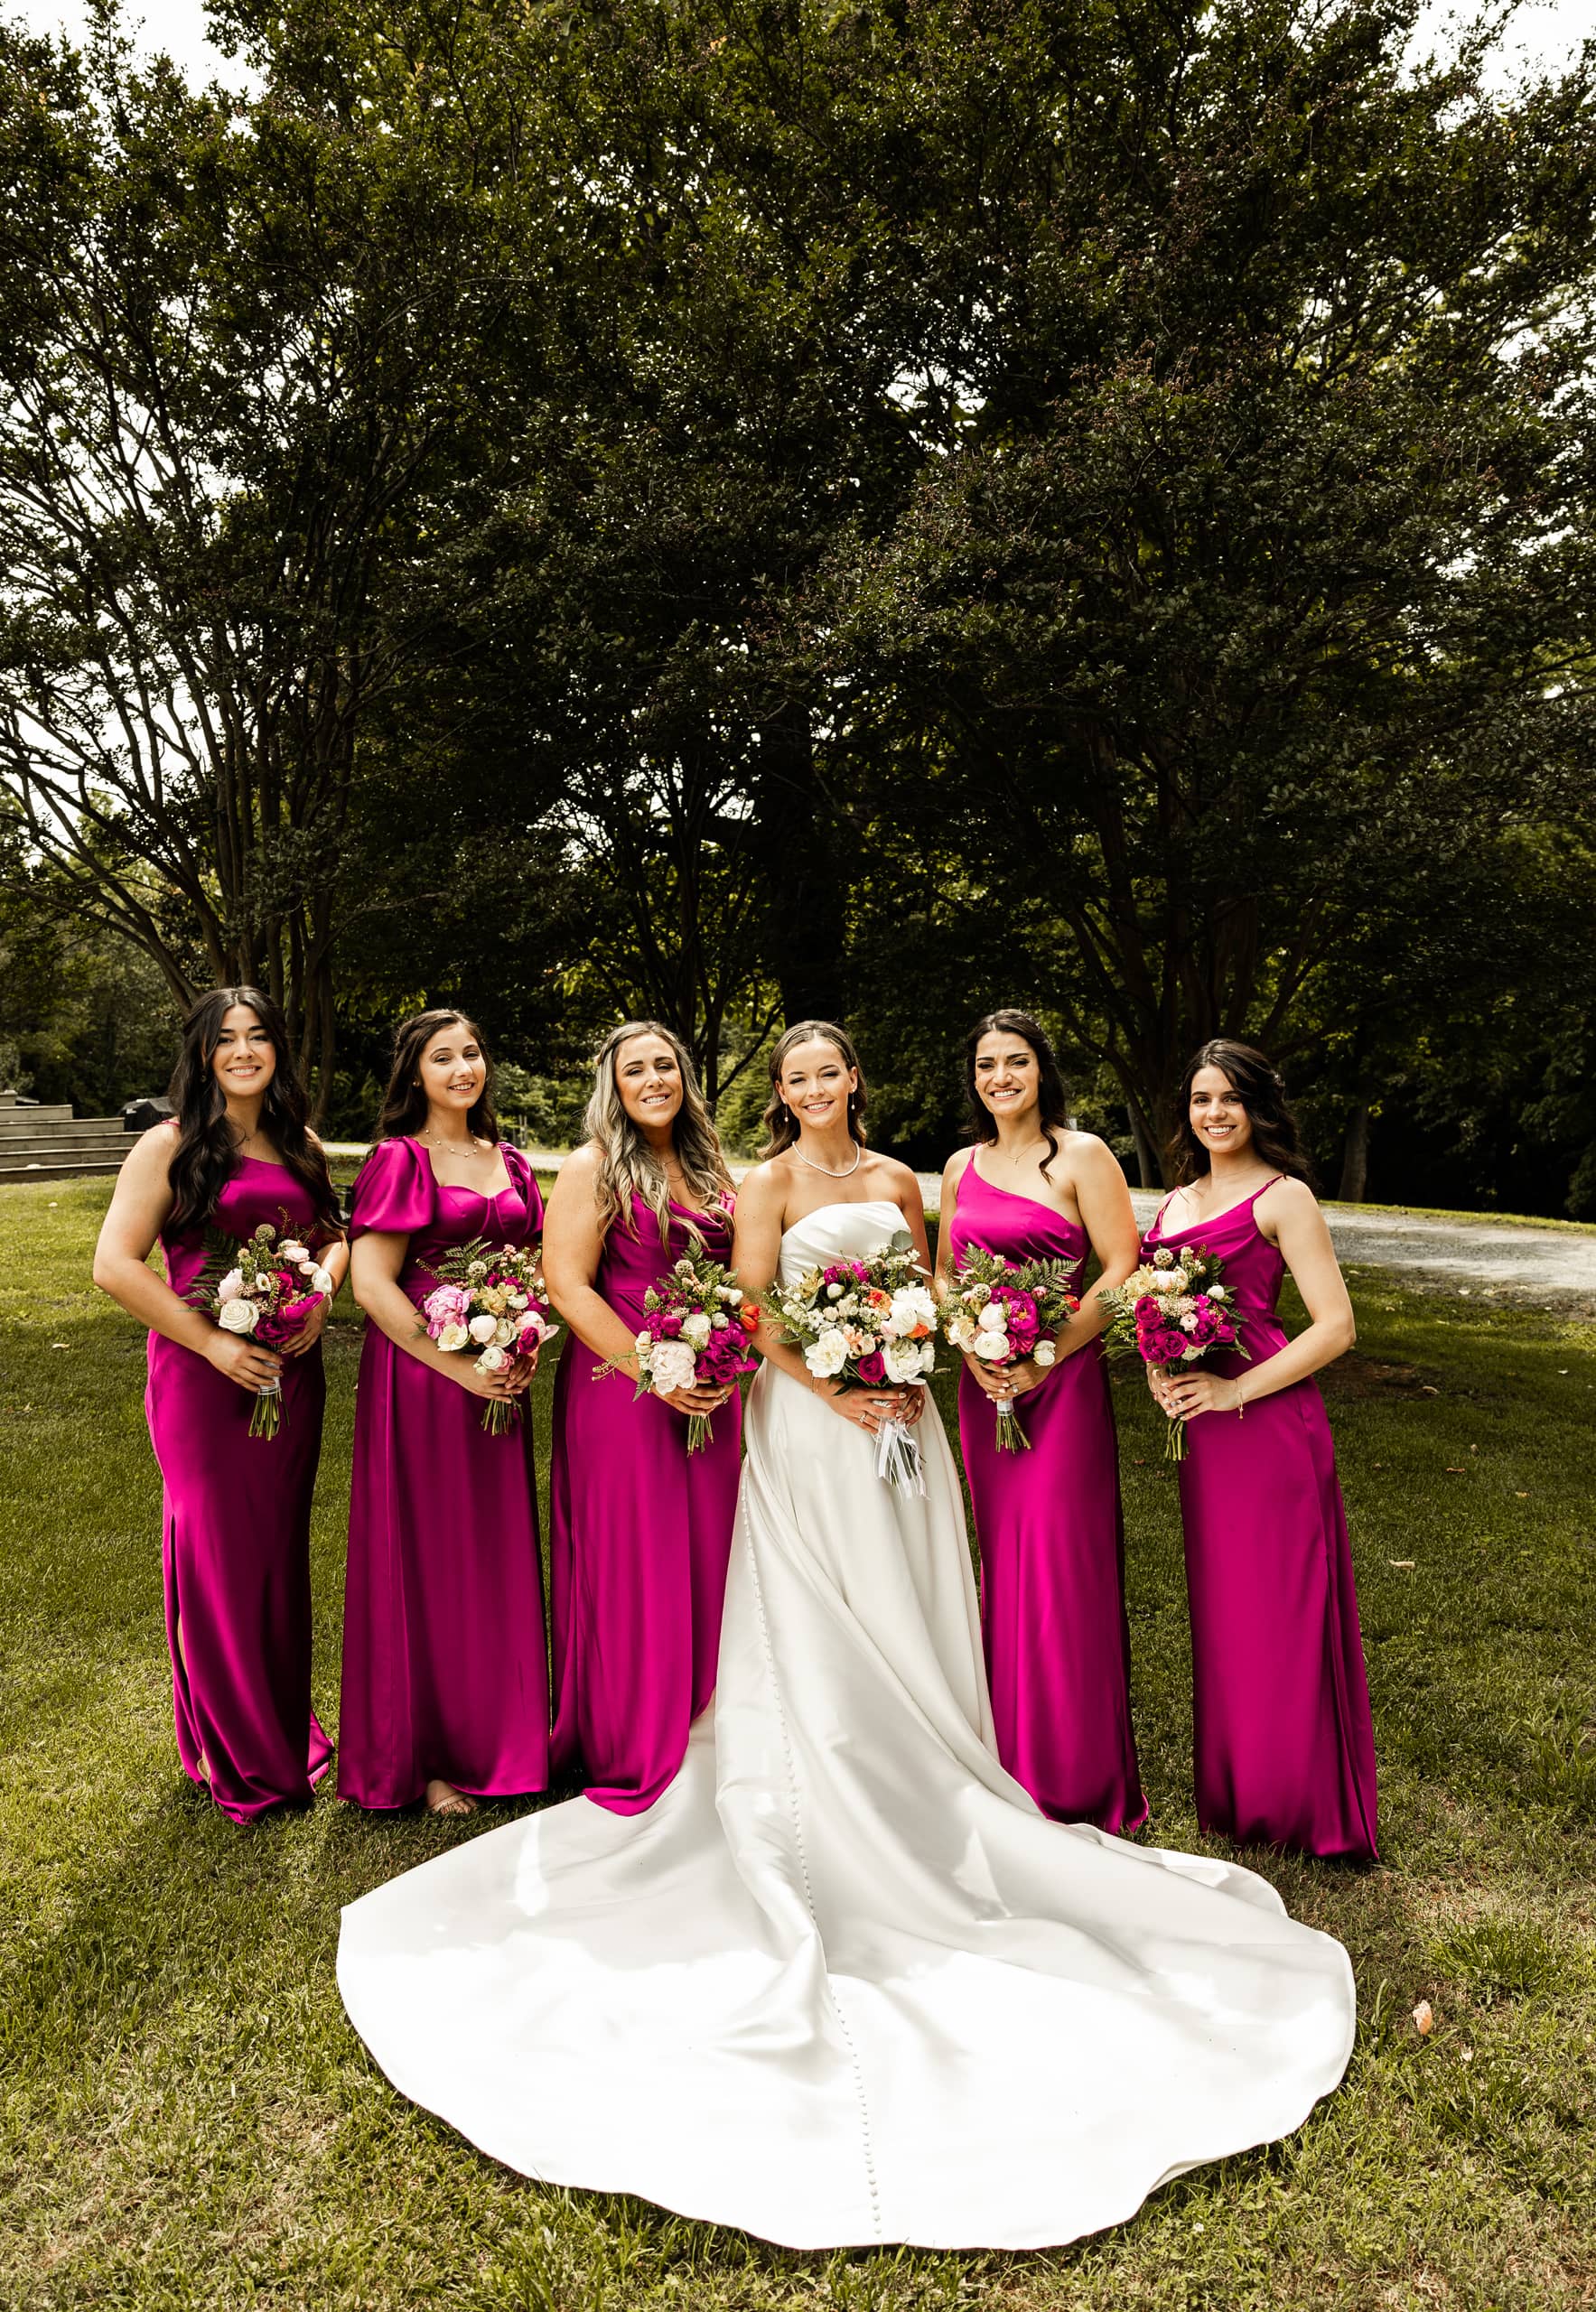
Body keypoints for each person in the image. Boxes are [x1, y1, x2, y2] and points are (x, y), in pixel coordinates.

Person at [338, 1021, 1356, 2252]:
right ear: (777, 1095)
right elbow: (761, 1303)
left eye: (830, 1073)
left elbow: (926, 1291)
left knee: (908, 1606)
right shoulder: (755, 1183)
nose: (815, 1090)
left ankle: (932, 1758)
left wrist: (915, 1363)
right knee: (800, 1612)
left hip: (906, 1424)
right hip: (808, 1422)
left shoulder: (897, 1181)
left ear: (855, 1083)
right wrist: (835, 1383)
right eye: (795, 1077)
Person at [92, 987, 344, 1823]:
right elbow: (116, 1265)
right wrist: (212, 1343)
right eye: (226, 1039)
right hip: (204, 1377)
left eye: (258, 1037)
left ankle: (277, 1729)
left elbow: (331, 1234)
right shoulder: (168, 1145)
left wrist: (321, 1297)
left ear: (277, 1049)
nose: (243, 1052)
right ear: (202, 1054)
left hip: (290, 1374)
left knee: (275, 1554)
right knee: (218, 1560)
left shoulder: (298, 1141)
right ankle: (235, 1753)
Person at [1143, 1039, 1377, 1860]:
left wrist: (1236, 1390)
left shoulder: (1285, 1199)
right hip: (1205, 1440)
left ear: (1257, 1109)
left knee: (1280, 1611)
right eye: (1201, 1098)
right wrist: (1158, 1372)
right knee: (1227, 1613)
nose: (1214, 1113)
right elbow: (1152, 1313)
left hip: (1270, 1428)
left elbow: (1336, 1327)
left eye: (1230, 1099)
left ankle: (1301, 1806)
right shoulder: (1171, 1205)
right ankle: (1238, 1799)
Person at [936, 1008, 1145, 1830]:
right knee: (1002, 1560)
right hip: (984, 1385)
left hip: (1060, 1386)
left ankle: (1074, 1773)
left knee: (1060, 1564)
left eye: (1015, 1062)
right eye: (986, 1065)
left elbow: (1121, 1267)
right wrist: (972, 1339)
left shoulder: (1083, 1154)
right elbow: (947, 1272)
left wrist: (1044, 1353)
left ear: (1041, 1069)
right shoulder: (960, 1164)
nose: (999, 1078)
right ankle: (1003, 1755)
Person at [339, 1009, 547, 1816]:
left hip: (500, 1376)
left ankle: (504, 1738)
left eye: (471, 1052)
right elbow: (372, 1285)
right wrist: (453, 1369)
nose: (462, 1068)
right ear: (413, 1074)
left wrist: (519, 1340)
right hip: (424, 1382)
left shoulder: (513, 1161)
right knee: (428, 1558)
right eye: (442, 1057)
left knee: (490, 1556)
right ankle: (425, 1758)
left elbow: (525, 1267)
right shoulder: (401, 1159)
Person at [541, 1020, 742, 1813]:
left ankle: (710, 1727)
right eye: (636, 1070)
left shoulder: (709, 1166)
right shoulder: (593, 1167)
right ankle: (631, 1738)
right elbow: (568, 1284)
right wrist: (655, 1371)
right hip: (619, 1388)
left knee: (711, 1553)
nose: (654, 1079)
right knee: (636, 1561)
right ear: (613, 1086)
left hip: (711, 1389)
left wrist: (723, 1359)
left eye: (666, 1065)